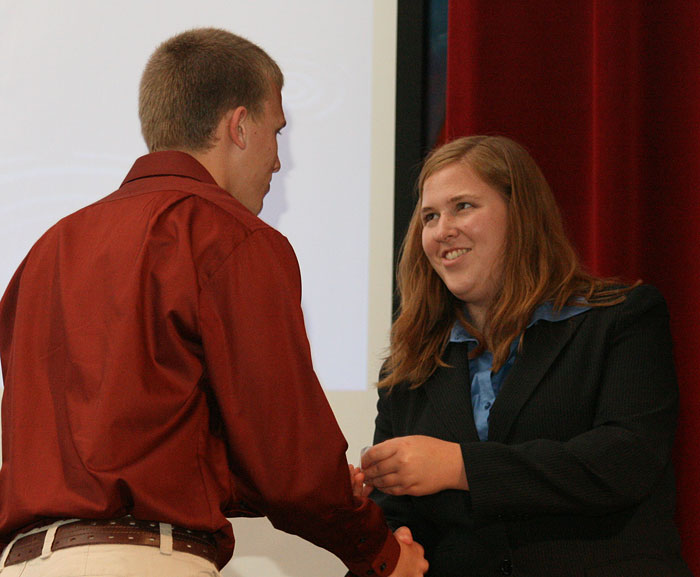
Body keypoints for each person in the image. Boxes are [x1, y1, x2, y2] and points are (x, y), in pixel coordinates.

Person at [0, 28, 428, 577]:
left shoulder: (45, 251)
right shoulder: (227, 236)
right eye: (277, 132)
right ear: (239, 126)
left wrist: (276, 486)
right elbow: (287, 457)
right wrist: (380, 553)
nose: (279, 162)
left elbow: (128, 448)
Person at [358, 135, 692, 576]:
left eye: (463, 206)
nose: (442, 230)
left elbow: (624, 461)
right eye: (430, 216)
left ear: (522, 215)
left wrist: (461, 467)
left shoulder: (621, 319)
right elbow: (398, 516)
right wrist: (385, 545)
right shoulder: (408, 366)